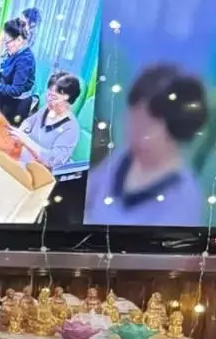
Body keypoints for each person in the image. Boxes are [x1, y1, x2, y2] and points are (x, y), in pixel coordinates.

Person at [86, 63, 208, 225]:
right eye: (133, 117)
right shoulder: (122, 157)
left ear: (176, 130)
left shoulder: (184, 197)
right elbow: (85, 196)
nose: (134, 129)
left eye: (147, 124)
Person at [14, 71, 82, 173]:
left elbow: (52, 160)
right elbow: (29, 122)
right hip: (26, 159)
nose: (49, 100)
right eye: (48, 94)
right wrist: (19, 133)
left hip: (42, 172)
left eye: (54, 97)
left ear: (68, 100)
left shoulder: (71, 128)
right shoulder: (46, 109)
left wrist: (25, 141)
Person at [0, 18, 36, 126]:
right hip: (4, 97)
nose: (6, 45)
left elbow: (16, 90)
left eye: (7, 42)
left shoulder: (25, 59)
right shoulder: (13, 52)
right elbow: (5, 73)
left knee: (2, 131)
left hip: (16, 105)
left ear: (19, 40)